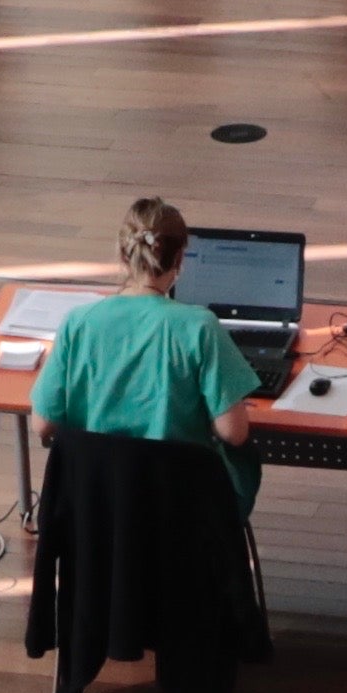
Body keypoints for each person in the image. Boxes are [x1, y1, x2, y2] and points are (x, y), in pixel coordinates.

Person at [35, 196, 261, 480]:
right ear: (179, 259)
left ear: (121, 255)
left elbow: (43, 424)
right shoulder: (199, 327)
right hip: (175, 506)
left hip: (94, 506)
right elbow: (234, 432)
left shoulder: (77, 323)